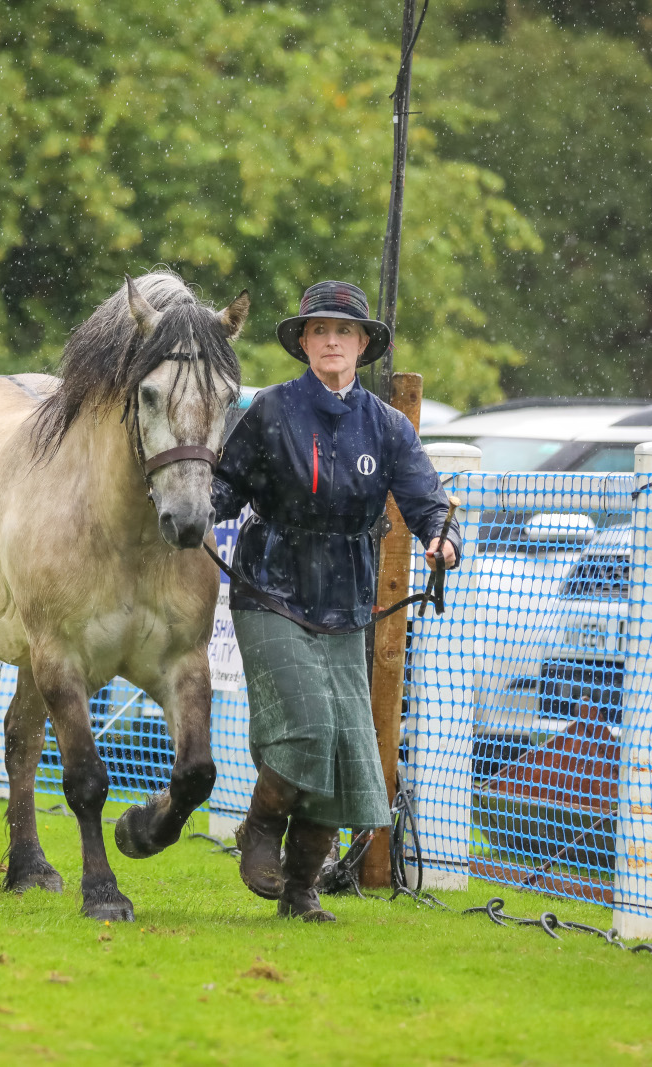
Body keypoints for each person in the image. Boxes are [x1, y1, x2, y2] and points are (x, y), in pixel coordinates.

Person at [211, 280, 461, 922]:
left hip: (346, 602)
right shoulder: (270, 409)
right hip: (269, 590)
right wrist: (185, 512)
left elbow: (429, 500)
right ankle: (261, 827)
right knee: (309, 727)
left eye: (342, 332)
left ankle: (300, 891)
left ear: (361, 345)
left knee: (347, 745)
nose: (330, 340)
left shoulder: (387, 426)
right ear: (302, 341)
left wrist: (442, 537)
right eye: (318, 330)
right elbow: (223, 489)